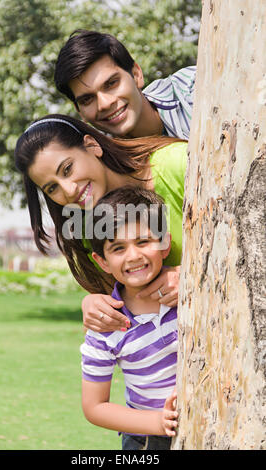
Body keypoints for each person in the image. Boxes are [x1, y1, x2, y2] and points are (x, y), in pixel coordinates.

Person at [14, 114, 187, 333]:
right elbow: (133, 311)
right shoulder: (90, 229)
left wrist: (190, 276)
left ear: (92, 145)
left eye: (67, 169)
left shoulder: (177, 164)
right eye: (52, 188)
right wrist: (96, 303)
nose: (68, 191)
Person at [80, 185, 178, 450]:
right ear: (102, 261)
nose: (133, 256)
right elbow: (94, 406)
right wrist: (158, 422)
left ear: (164, 243)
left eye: (143, 242)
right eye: (118, 248)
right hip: (145, 439)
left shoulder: (189, 296)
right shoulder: (105, 325)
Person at [54, 29, 196, 140]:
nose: (104, 104)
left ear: (136, 75)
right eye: (87, 99)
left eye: (111, 84)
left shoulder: (194, 87)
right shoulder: (105, 168)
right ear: (80, 112)